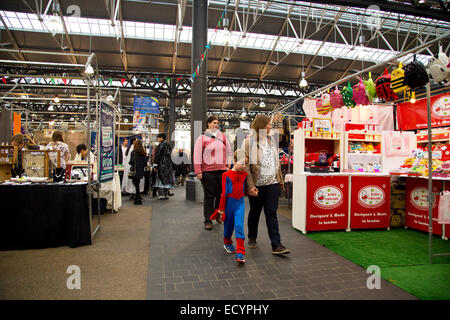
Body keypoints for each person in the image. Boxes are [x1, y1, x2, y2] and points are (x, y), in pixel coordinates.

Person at [242, 114, 290, 255]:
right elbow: (246, 167)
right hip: (257, 184)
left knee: (271, 213)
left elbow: (276, 162)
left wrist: (280, 180)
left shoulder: (272, 141)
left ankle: (276, 245)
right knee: (255, 212)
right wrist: (250, 186)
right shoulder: (248, 142)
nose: (271, 127)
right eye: (269, 124)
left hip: (272, 183)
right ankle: (252, 236)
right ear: (261, 125)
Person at [194, 116, 232, 230]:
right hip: (208, 172)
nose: (216, 125)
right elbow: (197, 155)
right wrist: (198, 171)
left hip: (222, 171)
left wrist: (229, 165)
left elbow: (229, 151)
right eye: (214, 123)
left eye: (217, 123)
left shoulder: (222, 136)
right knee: (209, 196)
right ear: (208, 124)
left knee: (221, 195)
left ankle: (218, 214)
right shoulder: (202, 138)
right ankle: (208, 219)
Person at [210, 149, 248, 263]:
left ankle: (240, 253)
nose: (244, 166)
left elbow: (245, 188)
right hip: (228, 204)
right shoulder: (226, 175)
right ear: (235, 161)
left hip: (240, 203)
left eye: (246, 163)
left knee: (239, 226)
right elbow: (224, 193)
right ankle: (227, 242)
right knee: (229, 226)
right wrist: (221, 209)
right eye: (242, 163)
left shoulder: (245, 174)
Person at [154, 133, 174, 200]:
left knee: (160, 180)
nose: (157, 139)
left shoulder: (161, 145)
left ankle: (161, 195)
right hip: (168, 165)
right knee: (167, 180)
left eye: (158, 137)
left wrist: (155, 165)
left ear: (161, 138)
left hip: (161, 165)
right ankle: (166, 194)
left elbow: (157, 156)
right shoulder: (169, 145)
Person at [129, 140, 148, 205]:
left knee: (136, 185)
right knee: (137, 184)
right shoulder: (143, 153)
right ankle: (138, 197)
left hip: (134, 170)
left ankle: (138, 199)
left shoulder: (133, 152)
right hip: (140, 171)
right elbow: (145, 163)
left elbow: (131, 162)